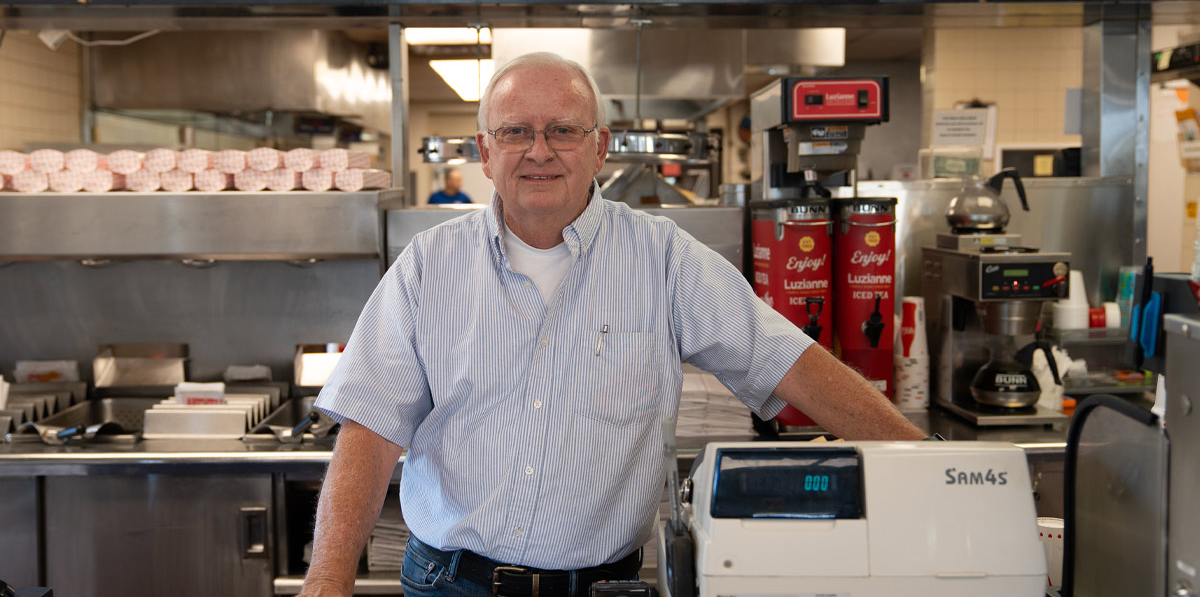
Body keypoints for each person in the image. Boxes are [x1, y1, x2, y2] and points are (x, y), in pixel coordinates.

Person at [301, 52, 925, 597]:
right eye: (516, 131)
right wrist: (327, 583)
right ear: (486, 153)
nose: (539, 150)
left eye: (562, 131)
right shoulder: (427, 268)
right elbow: (371, 431)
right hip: (450, 584)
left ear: (599, 148)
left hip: (605, 587)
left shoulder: (665, 259)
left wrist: (934, 468)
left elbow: (791, 365)